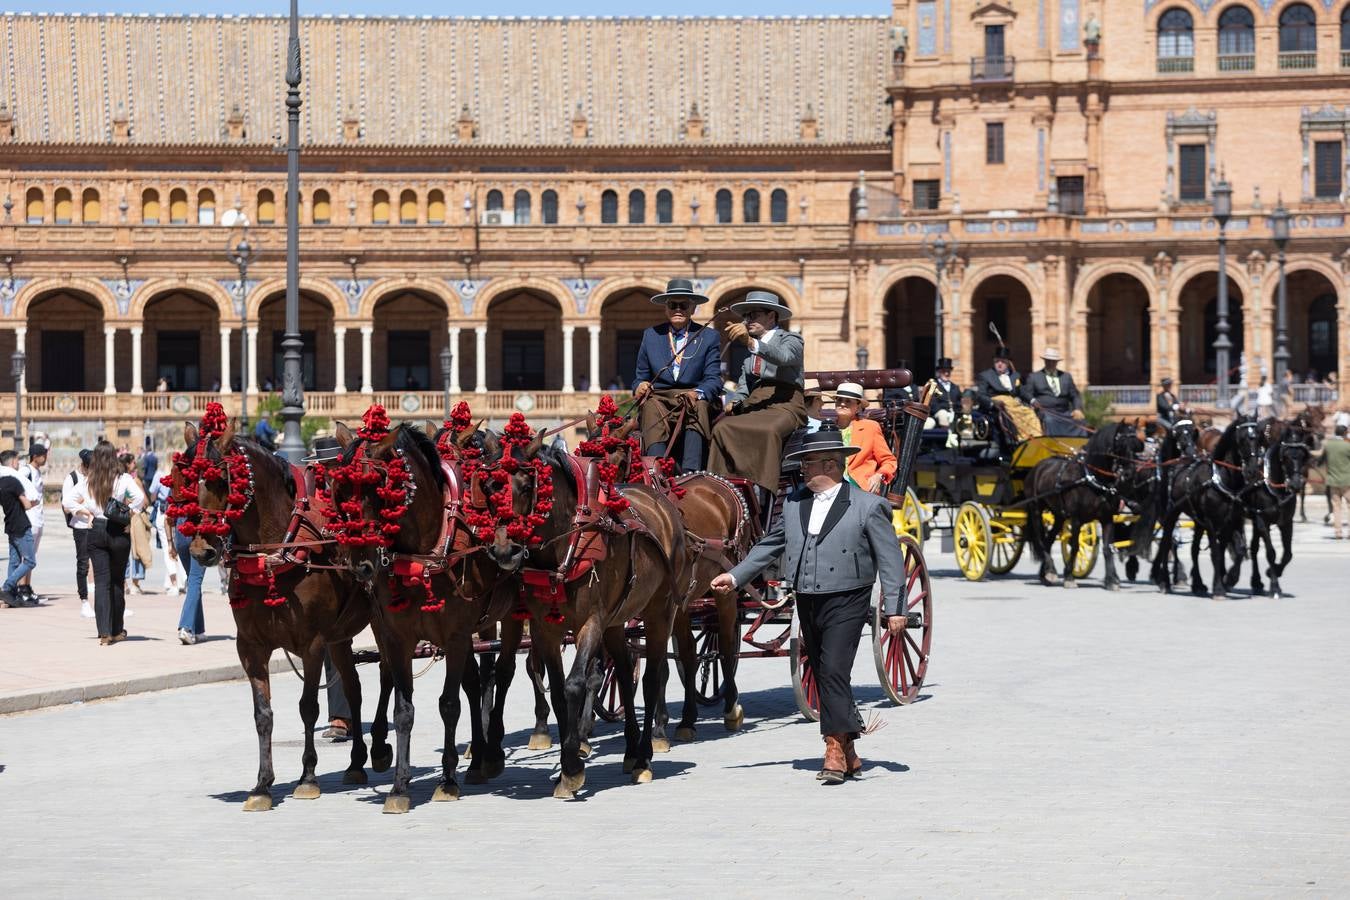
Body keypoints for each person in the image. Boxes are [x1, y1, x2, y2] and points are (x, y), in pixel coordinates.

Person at [710, 426, 905, 784]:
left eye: (808, 462)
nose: (801, 469)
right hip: (808, 598)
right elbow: (769, 546)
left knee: (832, 670)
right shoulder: (795, 504)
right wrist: (735, 576)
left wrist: (894, 608)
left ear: (831, 465)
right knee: (821, 669)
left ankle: (832, 747)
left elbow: (891, 561)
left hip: (849, 597)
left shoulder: (868, 506)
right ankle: (849, 749)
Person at [708, 291, 807, 494]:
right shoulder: (748, 357)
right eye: (746, 316)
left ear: (771, 316)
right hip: (756, 404)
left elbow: (784, 357)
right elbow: (744, 387)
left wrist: (751, 343)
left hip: (785, 404)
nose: (748, 320)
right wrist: (735, 401)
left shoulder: (791, 339)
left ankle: (763, 490)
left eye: (754, 315)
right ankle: (720, 487)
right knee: (722, 428)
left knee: (768, 431)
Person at [632, 278, 723, 473]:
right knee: (649, 407)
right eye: (673, 305)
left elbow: (714, 379)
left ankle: (691, 471)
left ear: (693, 309)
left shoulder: (708, 336)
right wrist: (640, 385)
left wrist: (697, 393)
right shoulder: (651, 335)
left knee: (698, 406)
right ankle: (657, 469)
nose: (678, 309)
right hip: (660, 398)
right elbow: (640, 376)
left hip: (692, 395)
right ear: (666, 308)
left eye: (684, 305)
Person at [70, 442, 146, 644]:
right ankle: (117, 629)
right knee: (117, 581)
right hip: (117, 529)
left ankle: (104, 633)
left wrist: (85, 512)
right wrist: (129, 512)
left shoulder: (88, 481)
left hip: (95, 530)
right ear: (113, 458)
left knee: (101, 582)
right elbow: (140, 498)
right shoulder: (123, 479)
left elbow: (67, 501)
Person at [832, 382, 897, 493]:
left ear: (858, 407)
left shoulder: (870, 427)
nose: (842, 404)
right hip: (831, 486)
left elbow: (889, 461)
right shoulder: (828, 428)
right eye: (839, 400)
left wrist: (878, 475)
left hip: (859, 486)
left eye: (848, 401)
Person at [0, 450, 38, 608]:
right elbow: (28, 504)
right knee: (30, 561)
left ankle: (10, 595)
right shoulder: (14, 481)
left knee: (14, 561)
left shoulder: (1, 483)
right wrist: (34, 502)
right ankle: (7, 587)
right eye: (17, 461)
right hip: (21, 524)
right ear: (13, 462)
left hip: (10, 524)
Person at [62, 449, 96, 618]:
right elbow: (66, 505)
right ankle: (84, 601)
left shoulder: (95, 478)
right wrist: (86, 511)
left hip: (96, 525)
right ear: (84, 465)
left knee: (100, 564)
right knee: (83, 563)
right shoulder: (72, 479)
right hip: (81, 527)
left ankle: (102, 602)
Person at [1021, 347, 1086, 437]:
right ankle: (1054, 445)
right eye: (1048, 361)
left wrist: (1077, 409)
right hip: (1046, 412)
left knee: (1080, 421)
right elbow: (1026, 393)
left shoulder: (1066, 377)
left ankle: (1078, 447)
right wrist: (1033, 401)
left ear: (1057, 362)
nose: (1051, 363)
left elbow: (1075, 395)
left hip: (1064, 412)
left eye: (1053, 361)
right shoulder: (1034, 377)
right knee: (1049, 420)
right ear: (1044, 361)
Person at [16, 444, 48, 604]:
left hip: (38, 518)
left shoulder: (36, 472)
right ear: (35, 456)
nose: (46, 457)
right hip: (29, 518)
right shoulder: (26, 471)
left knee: (32, 556)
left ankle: (27, 586)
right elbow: (16, 488)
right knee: (26, 556)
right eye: (44, 455)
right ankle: (21, 589)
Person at [120, 452, 153, 595]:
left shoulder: (118, 479)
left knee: (124, 552)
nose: (135, 465)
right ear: (128, 464)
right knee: (138, 550)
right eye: (133, 462)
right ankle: (135, 583)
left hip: (123, 517)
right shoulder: (135, 480)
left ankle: (124, 583)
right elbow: (145, 501)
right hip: (136, 517)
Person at [1324, 425, 1350, 540]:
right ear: (1345, 433)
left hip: (1333, 481)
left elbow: (1321, 457)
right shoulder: (1347, 446)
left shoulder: (1328, 445)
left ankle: (1338, 532)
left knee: (1336, 507)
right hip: (1347, 481)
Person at [927, 357, 961, 426]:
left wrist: (956, 411)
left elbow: (959, 402)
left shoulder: (955, 387)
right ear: (939, 371)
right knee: (943, 414)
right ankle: (947, 435)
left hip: (954, 413)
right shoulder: (933, 385)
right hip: (938, 413)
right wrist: (946, 411)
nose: (946, 373)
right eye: (944, 371)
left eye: (948, 371)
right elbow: (932, 404)